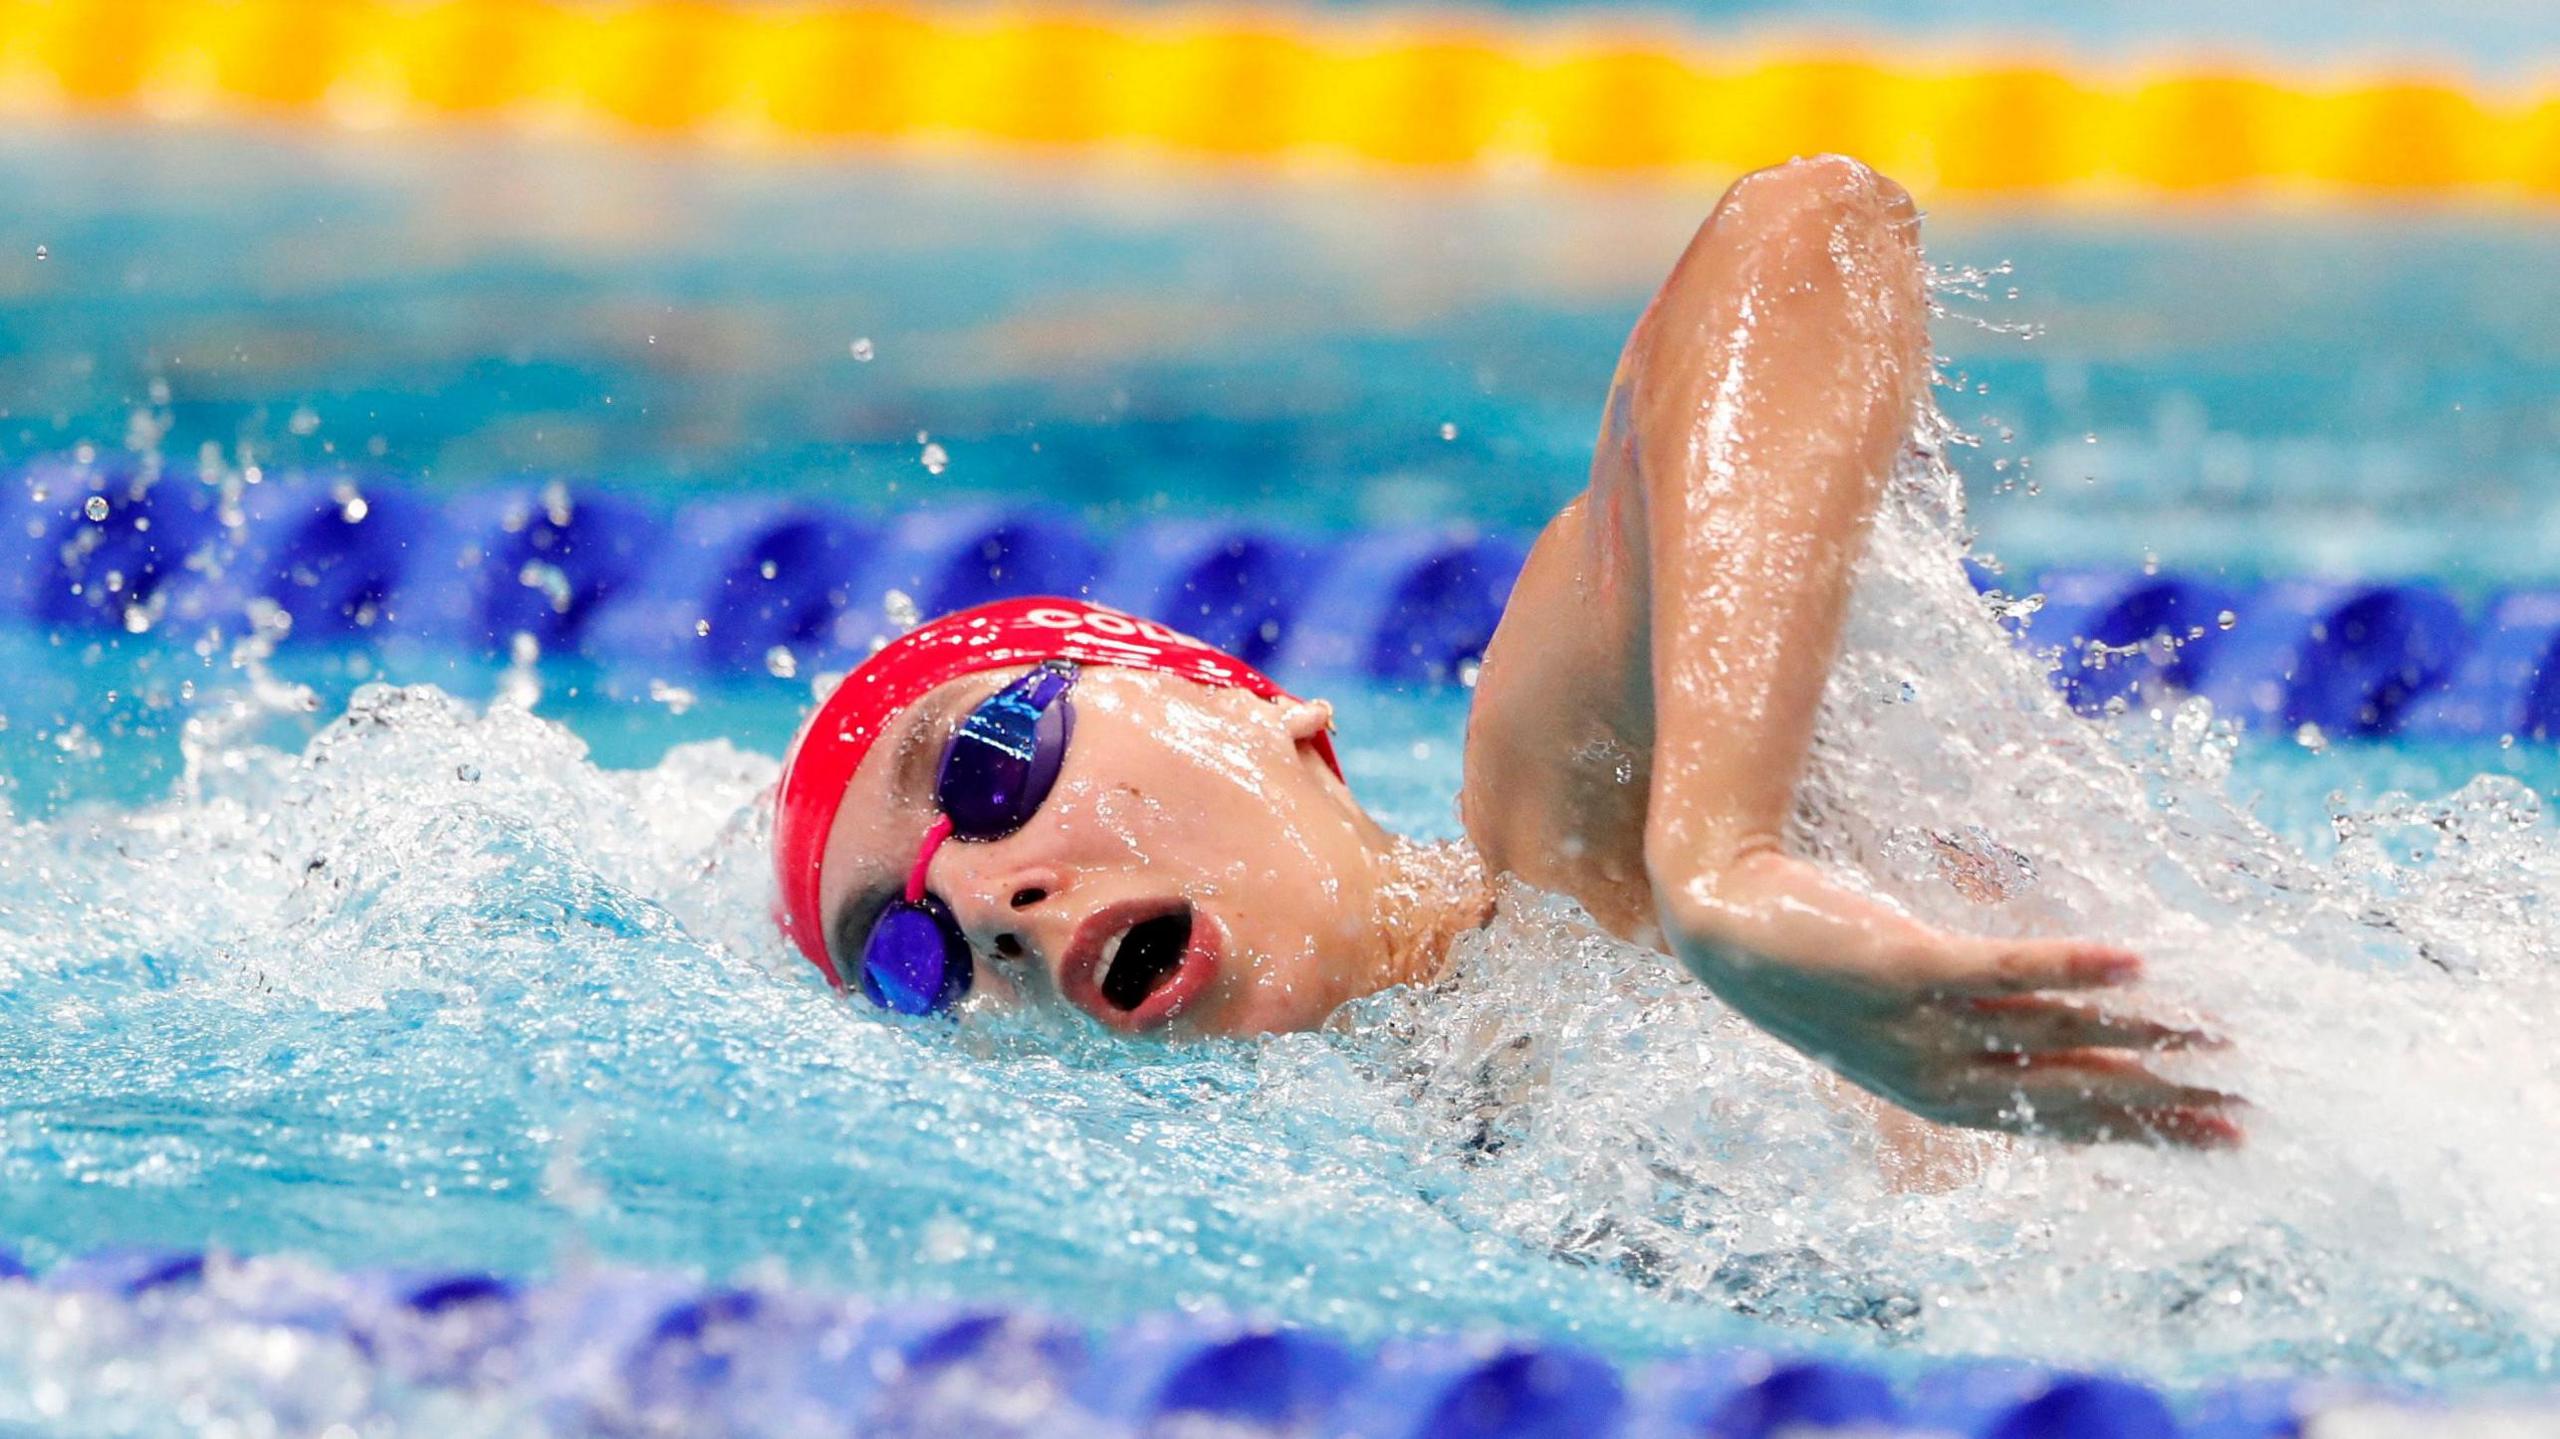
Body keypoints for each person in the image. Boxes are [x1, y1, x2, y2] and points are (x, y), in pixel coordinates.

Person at [770, 155, 2242, 1151]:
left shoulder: (1557, 838)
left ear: (1270, 716)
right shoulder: (1450, 1149)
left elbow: (1809, 229)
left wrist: (1723, 864)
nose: (986, 901)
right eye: (908, 959)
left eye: (992, 759)